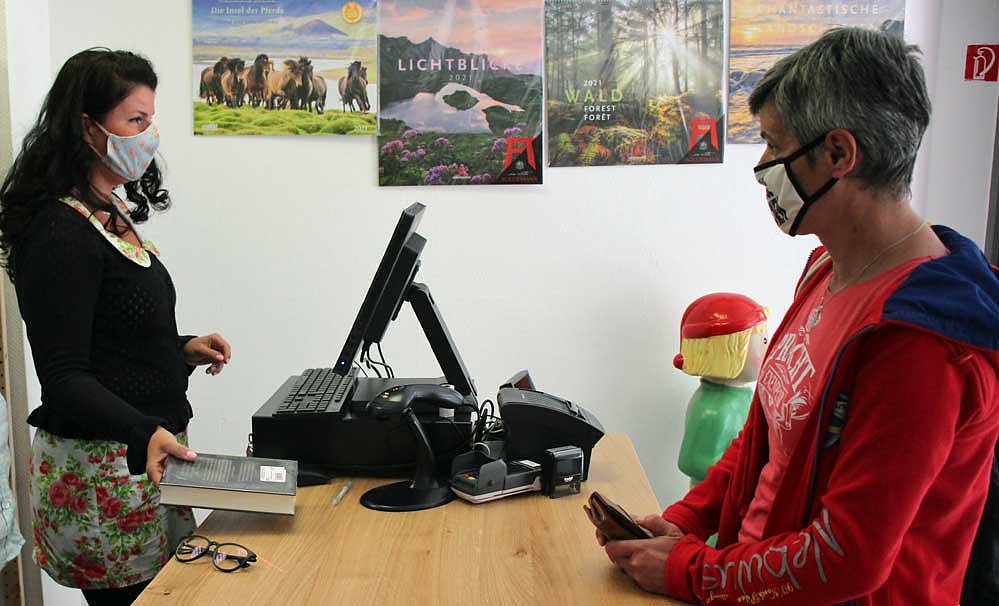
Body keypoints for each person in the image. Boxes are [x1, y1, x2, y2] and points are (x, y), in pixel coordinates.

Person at [597, 28, 999, 605]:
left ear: (838, 154)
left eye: (773, 143)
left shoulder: (922, 343)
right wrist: (686, 520)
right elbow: (767, 434)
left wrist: (691, 572)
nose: (763, 165)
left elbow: (847, 556)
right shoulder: (827, 268)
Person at [0, 48, 231, 605]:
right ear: (88, 128)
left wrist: (181, 349)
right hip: (103, 477)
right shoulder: (59, 230)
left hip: (143, 462)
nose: (149, 135)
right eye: (135, 120)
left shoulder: (110, 209)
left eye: (151, 119)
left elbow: (113, 338)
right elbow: (65, 376)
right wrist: (143, 430)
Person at [674, 293, 767, 488]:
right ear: (727, 352)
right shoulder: (715, 410)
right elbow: (691, 461)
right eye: (763, 342)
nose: (769, 349)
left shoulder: (741, 396)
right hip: (712, 497)